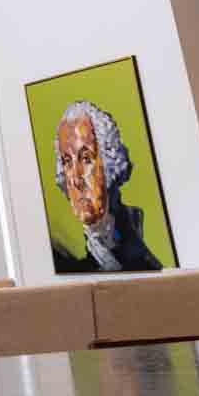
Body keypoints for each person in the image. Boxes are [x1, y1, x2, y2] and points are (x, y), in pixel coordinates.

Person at [51, 100, 162, 274]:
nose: (76, 179)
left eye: (86, 159)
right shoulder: (64, 260)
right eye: (67, 162)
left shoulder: (136, 240)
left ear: (109, 163)